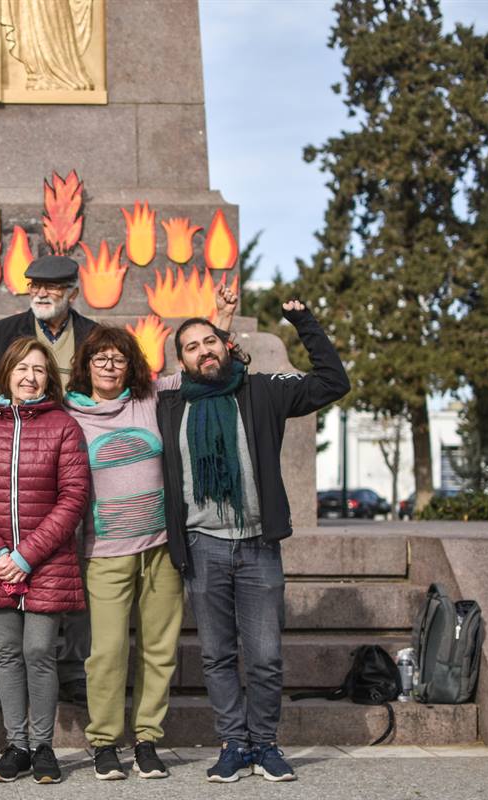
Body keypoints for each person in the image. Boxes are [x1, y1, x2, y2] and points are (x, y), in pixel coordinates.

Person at [157, 300, 349, 783]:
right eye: (191, 347)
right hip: (202, 546)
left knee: (264, 656)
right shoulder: (171, 402)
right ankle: (234, 744)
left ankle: (265, 743)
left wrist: (304, 322)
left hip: (258, 546)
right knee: (216, 654)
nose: (203, 352)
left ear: (227, 346)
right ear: (181, 362)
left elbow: (333, 382)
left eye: (209, 342)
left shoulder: (263, 392)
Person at [66, 291, 237, 781]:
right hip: (104, 553)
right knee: (108, 652)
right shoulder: (70, 414)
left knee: (160, 649)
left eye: (118, 359)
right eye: (100, 358)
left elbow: (203, 368)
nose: (109, 366)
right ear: (86, 365)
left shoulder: (151, 398)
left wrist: (221, 322)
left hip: (162, 548)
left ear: (131, 366)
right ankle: (104, 743)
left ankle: (146, 739)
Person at [0, 338, 89, 784]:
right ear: (7, 373)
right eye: (22, 369)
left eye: (39, 370)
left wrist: (26, 555)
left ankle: (44, 745)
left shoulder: (64, 426)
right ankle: (16, 745)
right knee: (8, 653)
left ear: (49, 377)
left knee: (38, 652)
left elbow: (74, 497)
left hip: (45, 561)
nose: (30, 378)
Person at [0, 254, 97, 708]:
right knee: (0, 567)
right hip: (14, 469)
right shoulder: (5, 332)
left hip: (79, 462)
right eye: (34, 285)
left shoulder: (93, 336)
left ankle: (73, 668)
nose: (41, 293)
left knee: (73, 565)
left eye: (53, 287)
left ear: (72, 293)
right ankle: (1, 670)